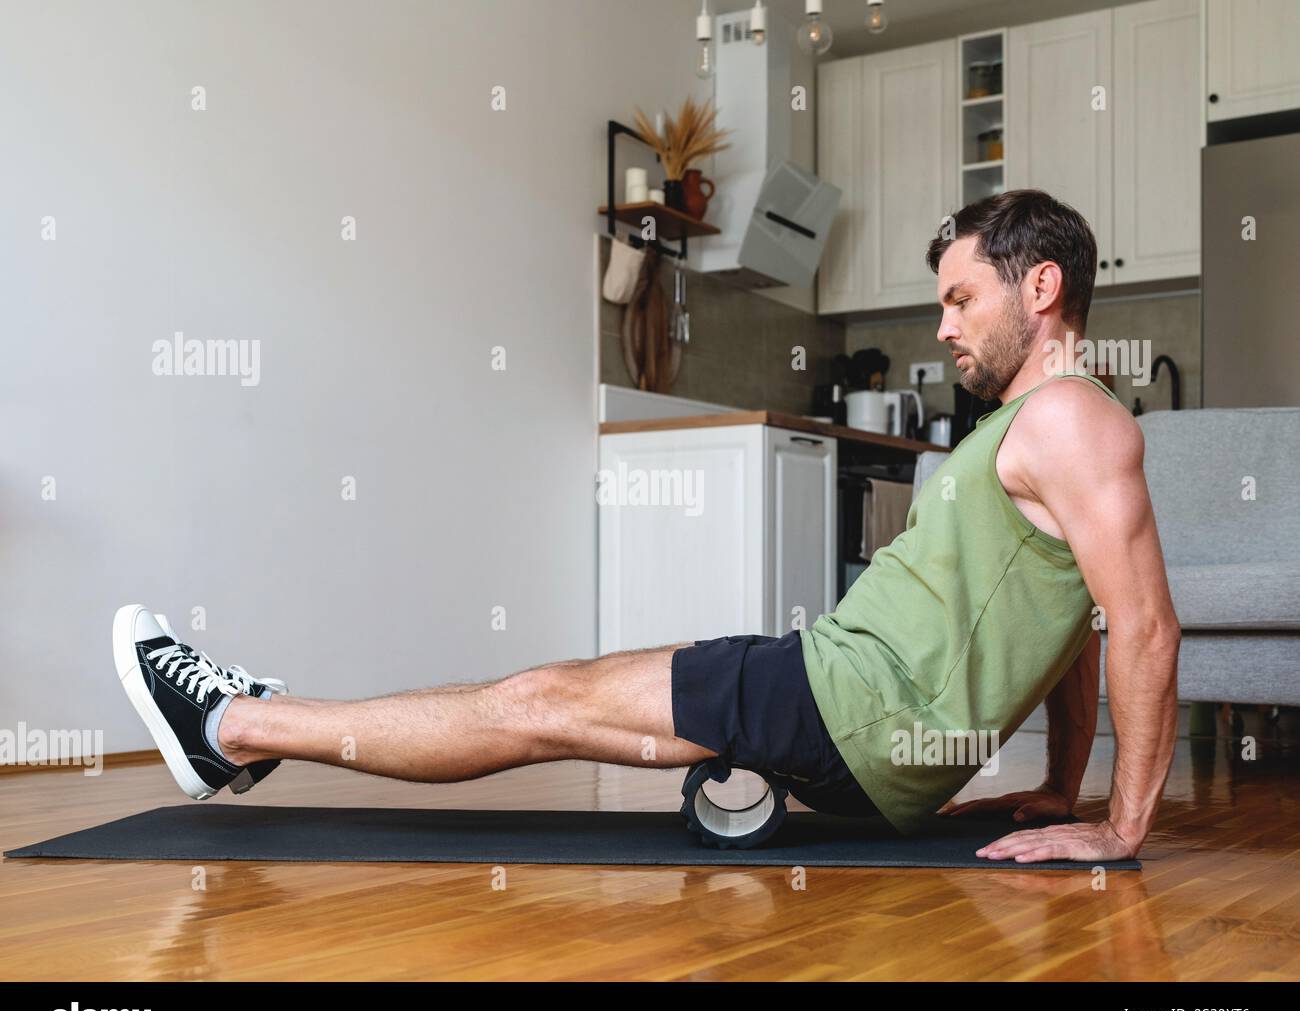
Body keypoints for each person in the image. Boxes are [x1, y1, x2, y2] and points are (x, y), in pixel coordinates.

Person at [113, 189, 1180, 863]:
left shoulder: (1073, 421)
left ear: (1040, 286)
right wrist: (1057, 781)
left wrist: (1121, 825)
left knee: (538, 701)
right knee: (548, 704)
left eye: (960, 299)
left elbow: (1142, 630)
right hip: (845, 704)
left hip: (844, 704)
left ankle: (233, 725)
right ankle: (243, 729)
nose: (944, 327)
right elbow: (1076, 620)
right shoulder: (1040, 426)